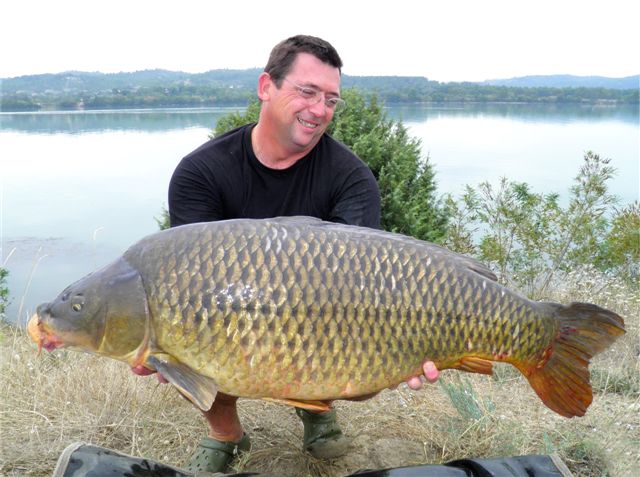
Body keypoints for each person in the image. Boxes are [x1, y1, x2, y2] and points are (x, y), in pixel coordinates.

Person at [168, 34, 439, 473]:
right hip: (231, 307)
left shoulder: (351, 177)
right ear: (266, 87)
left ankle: (319, 411)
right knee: (179, 338)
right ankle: (226, 433)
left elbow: (363, 294)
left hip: (326, 312)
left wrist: (403, 350)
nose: (319, 110)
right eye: (307, 92)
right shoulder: (201, 172)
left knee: (353, 346)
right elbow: (185, 283)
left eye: (331, 99)